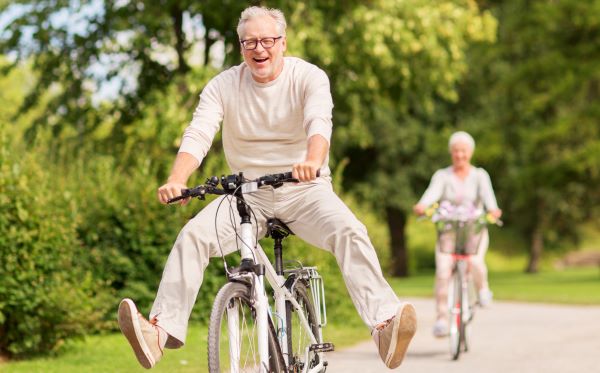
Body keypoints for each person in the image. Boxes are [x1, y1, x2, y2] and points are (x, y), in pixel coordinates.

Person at [117, 6, 416, 370]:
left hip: (304, 189)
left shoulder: (308, 77)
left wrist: (312, 160)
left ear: (283, 43)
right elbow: (199, 132)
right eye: (250, 42)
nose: (259, 49)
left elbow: (319, 122)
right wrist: (177, 179)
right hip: (246, 195)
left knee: (350, 231)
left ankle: (384, 326)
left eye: (267, 41)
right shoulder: (224, 84)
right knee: (192, 236)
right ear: (241, 46)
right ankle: (158, 334)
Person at [413, 131, 502, 338]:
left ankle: (482, 290)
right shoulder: (442, 176)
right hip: (449, 232)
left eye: (463, 151)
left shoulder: (480, 175)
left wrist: (493, 210)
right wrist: (422, 205)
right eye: (455, 151)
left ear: (470, 153)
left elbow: (490, 200)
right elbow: (431, 195)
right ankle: (442, 319)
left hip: (473, 230)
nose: (459, 155)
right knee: (443, 271)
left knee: (476, 261)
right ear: (451, 153)